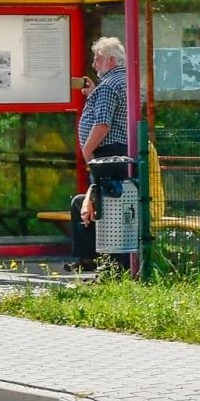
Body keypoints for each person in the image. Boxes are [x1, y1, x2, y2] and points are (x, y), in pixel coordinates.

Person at [66, 36, 129, 273]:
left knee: (105, 206)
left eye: (98, 59)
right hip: (121, 154)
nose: (94, 64)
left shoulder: (109, 86)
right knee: (96, 203)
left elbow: (103, 124)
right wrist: (93, 94)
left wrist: (87, 150)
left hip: (106, 154)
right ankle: (92, 259)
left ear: (111, 60)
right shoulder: (123, 82)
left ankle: (109, 264)